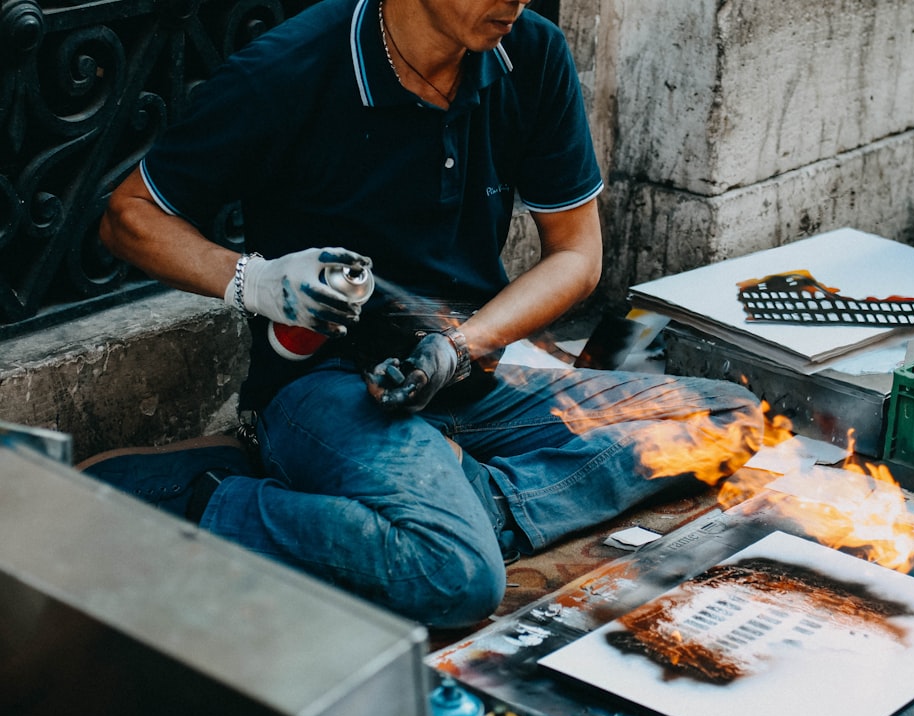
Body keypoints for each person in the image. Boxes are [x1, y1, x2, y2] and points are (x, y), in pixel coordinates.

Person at [95, 0, 763, 628]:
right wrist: (254, 281)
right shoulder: (291, 65)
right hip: (331, 385)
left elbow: (578, 255)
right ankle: (207, 499)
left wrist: (463, 345)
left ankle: (459, 491)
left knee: (729, 419)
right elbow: (128, 216)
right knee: (458, 576)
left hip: (465, 372)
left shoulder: (530, 51)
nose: (517, 1)